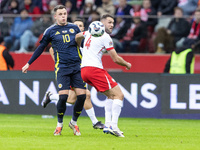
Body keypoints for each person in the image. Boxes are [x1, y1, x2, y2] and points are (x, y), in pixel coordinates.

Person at [22, 5, 87, 136]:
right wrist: (29, 63)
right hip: (62, 67)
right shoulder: (50, 31)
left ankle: (73, 123)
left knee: (82, 96)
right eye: (61, 14)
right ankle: (59, 125)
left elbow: (83, 46)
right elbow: (41, 48)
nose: (63, 16)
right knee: (63, 97)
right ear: (55, 16)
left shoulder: (74, 28)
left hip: (76, 67)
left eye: (65, 13)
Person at [42, 19, 104, 130]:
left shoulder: (85, 41)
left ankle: (51, 97)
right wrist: (60, 65)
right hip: (68, 71)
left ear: (83, 28)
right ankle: (94, 122)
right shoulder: (68, 41)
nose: (78, 28)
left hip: (80, 71)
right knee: (84, 95)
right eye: (76, 25)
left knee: (75, 98)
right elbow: (52, 49)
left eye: (81, 26)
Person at [80, 14, 132, 137]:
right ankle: (114, 126)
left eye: (113, 22)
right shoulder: (105, 36)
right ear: (102, 23)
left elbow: (78, 35)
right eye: (109, 22)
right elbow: (115, 59)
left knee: (111, 96)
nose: (112, 25)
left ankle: (108, 124)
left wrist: (78, 46)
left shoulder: (88, 32)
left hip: (84, 71)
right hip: (95, 70)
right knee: (119, 95)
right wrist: (127, 64)